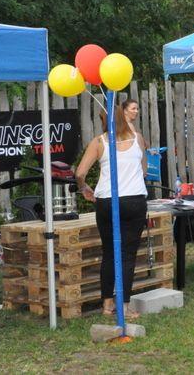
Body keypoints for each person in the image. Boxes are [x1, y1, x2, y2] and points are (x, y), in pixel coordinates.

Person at [75, 108, 148, 318]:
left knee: (109, 252)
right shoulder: (138, 139)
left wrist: (84, 188)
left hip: (106, 200)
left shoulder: (99, 142)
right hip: (134, 200)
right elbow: (144, 171)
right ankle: (124, 307)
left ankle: (107, 305)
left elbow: (80, 173)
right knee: (128, 255)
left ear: (105, 120)